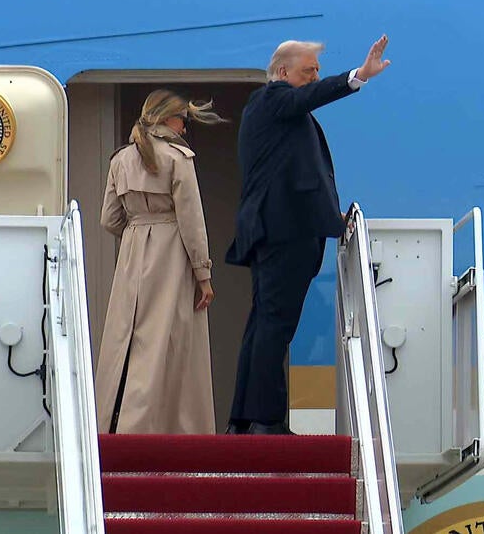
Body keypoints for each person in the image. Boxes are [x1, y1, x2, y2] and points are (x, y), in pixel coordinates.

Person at [225, 35, 391, 435]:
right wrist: (357, 77)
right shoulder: (272, 100)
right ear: (283, 73)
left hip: (281, 229)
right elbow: (307, 102)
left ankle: (246, 420)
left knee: (264, 325)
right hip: (284, 233)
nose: (315, 77)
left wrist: (331, 216)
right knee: (274, 327)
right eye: (308, 71)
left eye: (317, 70)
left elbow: (296, 174)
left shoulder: (281, 114)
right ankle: (266, 421)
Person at [95, 89, 225, 434]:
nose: (184, 128)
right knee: (171, 341)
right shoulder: (178, 158)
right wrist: (204, 274)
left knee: (127, 337)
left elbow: (109, 219)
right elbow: (192, 222)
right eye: (183, 120)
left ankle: (116, 424)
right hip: (172, 252)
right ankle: (172, 428)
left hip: (133, 251)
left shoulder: (120, 160)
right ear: (169, 118)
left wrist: (138, 232)